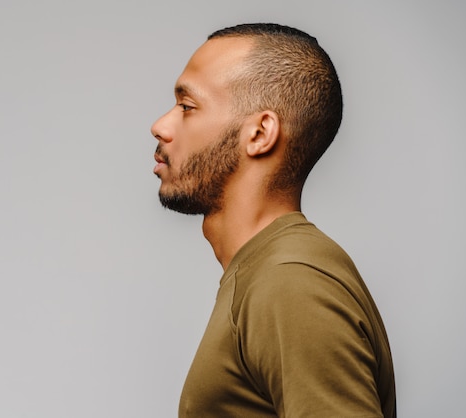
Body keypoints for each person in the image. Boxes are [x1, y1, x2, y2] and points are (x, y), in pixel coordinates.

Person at [151, 23, 396, 418]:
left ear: (260, 134)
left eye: (187, 106)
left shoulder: (291, 282)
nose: (161, 125)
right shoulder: (269, 272)